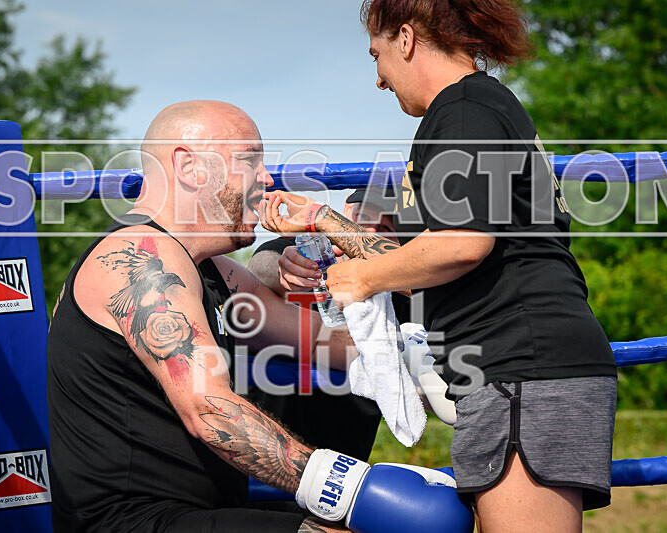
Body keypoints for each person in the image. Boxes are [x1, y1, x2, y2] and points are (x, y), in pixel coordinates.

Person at [260, 1, 617, 532]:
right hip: (519, 370)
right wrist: (323, 221)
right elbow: (439, 253)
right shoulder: (476, 108)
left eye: (376, 54)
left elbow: (463, 243)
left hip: (523, 366)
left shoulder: (464, 109)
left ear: (405, 39)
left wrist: (363, 278)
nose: (379, 79)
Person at [47, 100, 473, 533]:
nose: (267, 178)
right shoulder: (140, 260)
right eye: (250, 160)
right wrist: (350, 488)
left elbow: (318, 341)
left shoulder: (213, 271)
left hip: (197, 511)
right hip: (129, 522)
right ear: (189, 166)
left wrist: (419, 361)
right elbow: (210, 411)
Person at [245, 191, 404, 460]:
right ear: (343, 214)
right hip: (260, 449)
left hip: (340, 465)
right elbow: (261, 265)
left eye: (386, 228)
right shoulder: (304, 248)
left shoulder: (402, 291)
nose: (366, 234)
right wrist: (287, 271)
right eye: (361, 220)